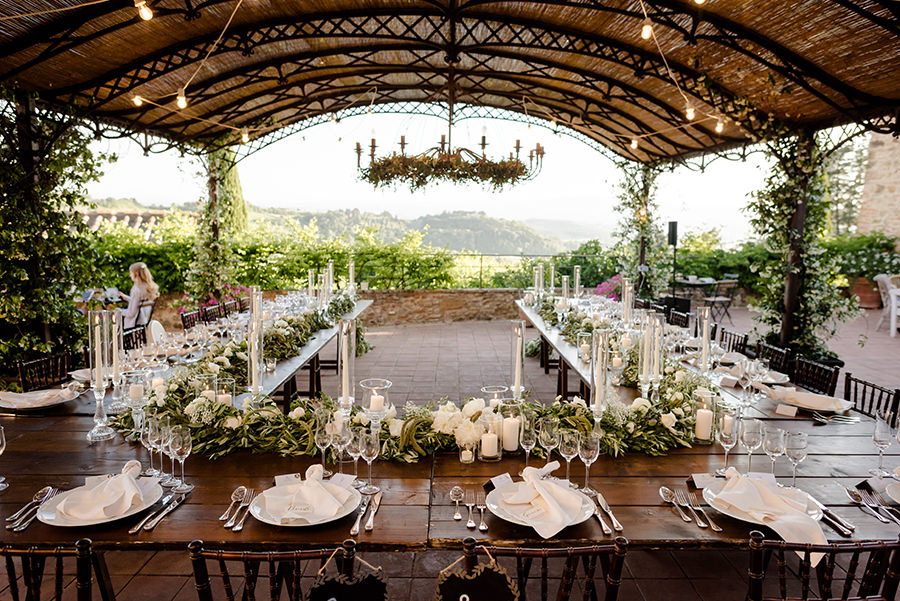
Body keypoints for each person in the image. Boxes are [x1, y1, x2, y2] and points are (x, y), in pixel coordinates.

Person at [120, 262, 159, 328]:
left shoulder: (136, 290)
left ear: (136, 274)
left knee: (115, 314)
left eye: (131, 273)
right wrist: (126, 297)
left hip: (134, 323)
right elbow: (138, 303)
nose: (130, 275)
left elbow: (131, 313)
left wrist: (118, 311)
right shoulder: (150, 287)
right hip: (144, 321)